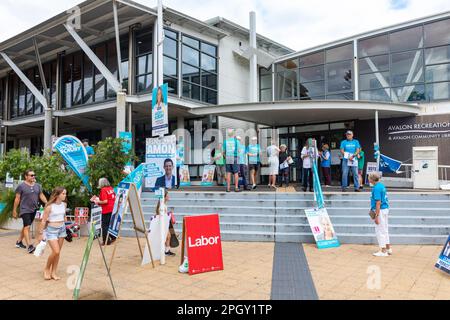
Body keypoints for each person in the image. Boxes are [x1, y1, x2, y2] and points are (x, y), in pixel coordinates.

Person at [13, 169, 48, 254]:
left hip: (34, 209)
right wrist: (14, 210)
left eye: (34, 175)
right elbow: (17, 198)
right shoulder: (21, 186)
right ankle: (30, 246)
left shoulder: (37, 186)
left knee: (26, 226)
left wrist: (47, 202)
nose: (33, 176)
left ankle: (19, 242)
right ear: (26, 176)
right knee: (27, 227)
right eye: (31, 175)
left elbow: (41, 195)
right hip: (25, 209)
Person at [37, 187, 67, 280]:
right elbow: (43, 221)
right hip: (51, 231)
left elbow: (64, 216)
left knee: (58, 253)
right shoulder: (49, 207)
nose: (65, 195)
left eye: (65, 193)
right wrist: (40, 234)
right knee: (56, 251)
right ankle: (46, 269)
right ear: (57, 195)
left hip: (62, 230)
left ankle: (53, 272)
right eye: (63, 194)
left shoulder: (64, 205)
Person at [369, 172, 391, 257]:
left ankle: (383, 250)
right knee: (385, 229)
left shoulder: (376, 188)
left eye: (369, 178)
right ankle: (388, 248)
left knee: (380, 230)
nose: (368, 179)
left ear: (372, 179)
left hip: (380, 210)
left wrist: (377, 216)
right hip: (385, 209)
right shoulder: (381, 185)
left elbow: (378, 202)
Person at [92, 178, 116, 245]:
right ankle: (113, 236)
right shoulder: (110, 188)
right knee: (108, 224)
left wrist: (97, 201)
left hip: (107, 209)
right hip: (112, 208)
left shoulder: (103, 190)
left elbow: (105, 201)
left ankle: (106, 241)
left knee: (104, 226)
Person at [155, 189, 175, 256]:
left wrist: (168, 214)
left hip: (164, 223)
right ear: (164, 197)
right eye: (167, 195)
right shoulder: (162, 205)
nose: (168, 196)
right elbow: (161, 215)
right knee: (167, 236)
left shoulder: (163, 205)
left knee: (168, 236)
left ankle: (166, 250)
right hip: (163, 224)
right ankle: (166, 251)